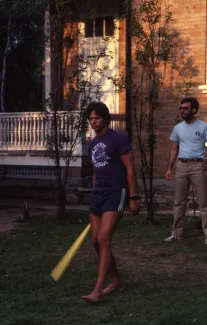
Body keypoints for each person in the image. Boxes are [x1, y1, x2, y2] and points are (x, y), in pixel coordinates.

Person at [82, 101, 140, 303]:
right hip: (98, 194)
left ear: (105, 118)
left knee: (104, 238)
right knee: (96, 242)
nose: (93, 121)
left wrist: (133, 197)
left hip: (116, 192)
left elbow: (130, 168)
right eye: (90, 118)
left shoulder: (118, 139)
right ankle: (115, 281)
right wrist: (95, 190)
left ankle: (97, 290)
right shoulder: (92, 144)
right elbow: (97, 171)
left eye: (96, 118)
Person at [164, 97, 207, 243]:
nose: (182, 110)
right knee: (179, 202)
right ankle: (176, 234)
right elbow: (174, 148)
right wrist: (169, 167)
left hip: (198, 166)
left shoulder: (203, 127)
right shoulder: (178, 128)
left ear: (193, 110)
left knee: (204, 203)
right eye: (181, 108)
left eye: (185, 108)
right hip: (181, 166)